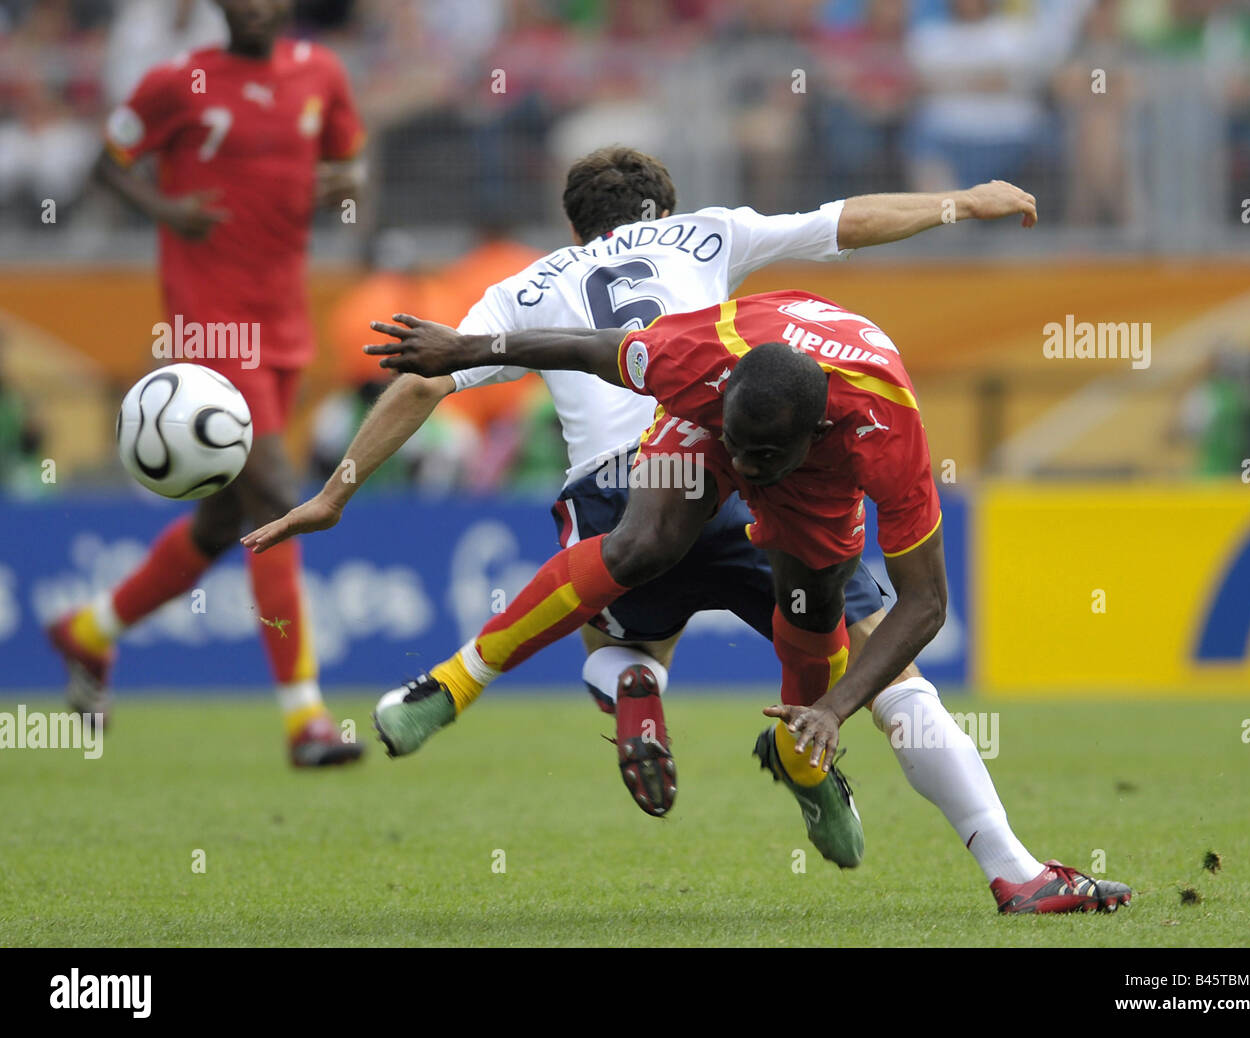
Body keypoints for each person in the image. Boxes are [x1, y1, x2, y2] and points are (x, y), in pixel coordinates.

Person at [244, 147, 1035, 821]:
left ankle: (621, 681)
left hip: (610, 485)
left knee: (614, 631)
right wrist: (958, 203)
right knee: (884, 678)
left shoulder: (524, 287)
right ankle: (830, 773)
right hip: (732, 453)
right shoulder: (706, 232)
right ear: (661, 209)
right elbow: (842, 224)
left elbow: (423, 381)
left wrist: (335, 491)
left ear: (576, 226)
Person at [357, 289, 1134, 915]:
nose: (747, 469)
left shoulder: (880, 429)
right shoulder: (697, 363)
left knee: (811, 627)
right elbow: (586, 347)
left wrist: (834, 708)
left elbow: (925, 604)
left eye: (765, 456)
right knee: (640, 546)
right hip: (692, 425)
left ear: (814, 429)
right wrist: (468, 351)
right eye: (742, 447)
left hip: (817, 494)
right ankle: (455, 681)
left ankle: (804, 760)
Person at [46, 0, 366, 767]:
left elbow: (348, 169)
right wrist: (166, 209)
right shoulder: (176, 83)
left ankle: (89, 631)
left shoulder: (321, 74)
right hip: (211, 324)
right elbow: (104, 165)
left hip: (285, 321)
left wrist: (343, 197)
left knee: (227, 521)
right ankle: (307, 719)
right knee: (279, 498)